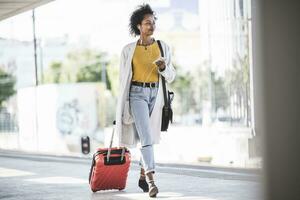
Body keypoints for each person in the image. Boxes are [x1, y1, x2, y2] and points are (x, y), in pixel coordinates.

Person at [115, 4, 176, 198]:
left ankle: (142, 175)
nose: (152, 26)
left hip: (155, 95)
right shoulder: (128, 50)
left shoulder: (163, 47)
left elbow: (171, 76)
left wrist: (164, 67)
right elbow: (122, 81)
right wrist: (121, 106)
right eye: (147, 23)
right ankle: (151, 181)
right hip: (137, 95)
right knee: (146, 137)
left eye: (153, 22)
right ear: (138, 26)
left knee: (147, 137)